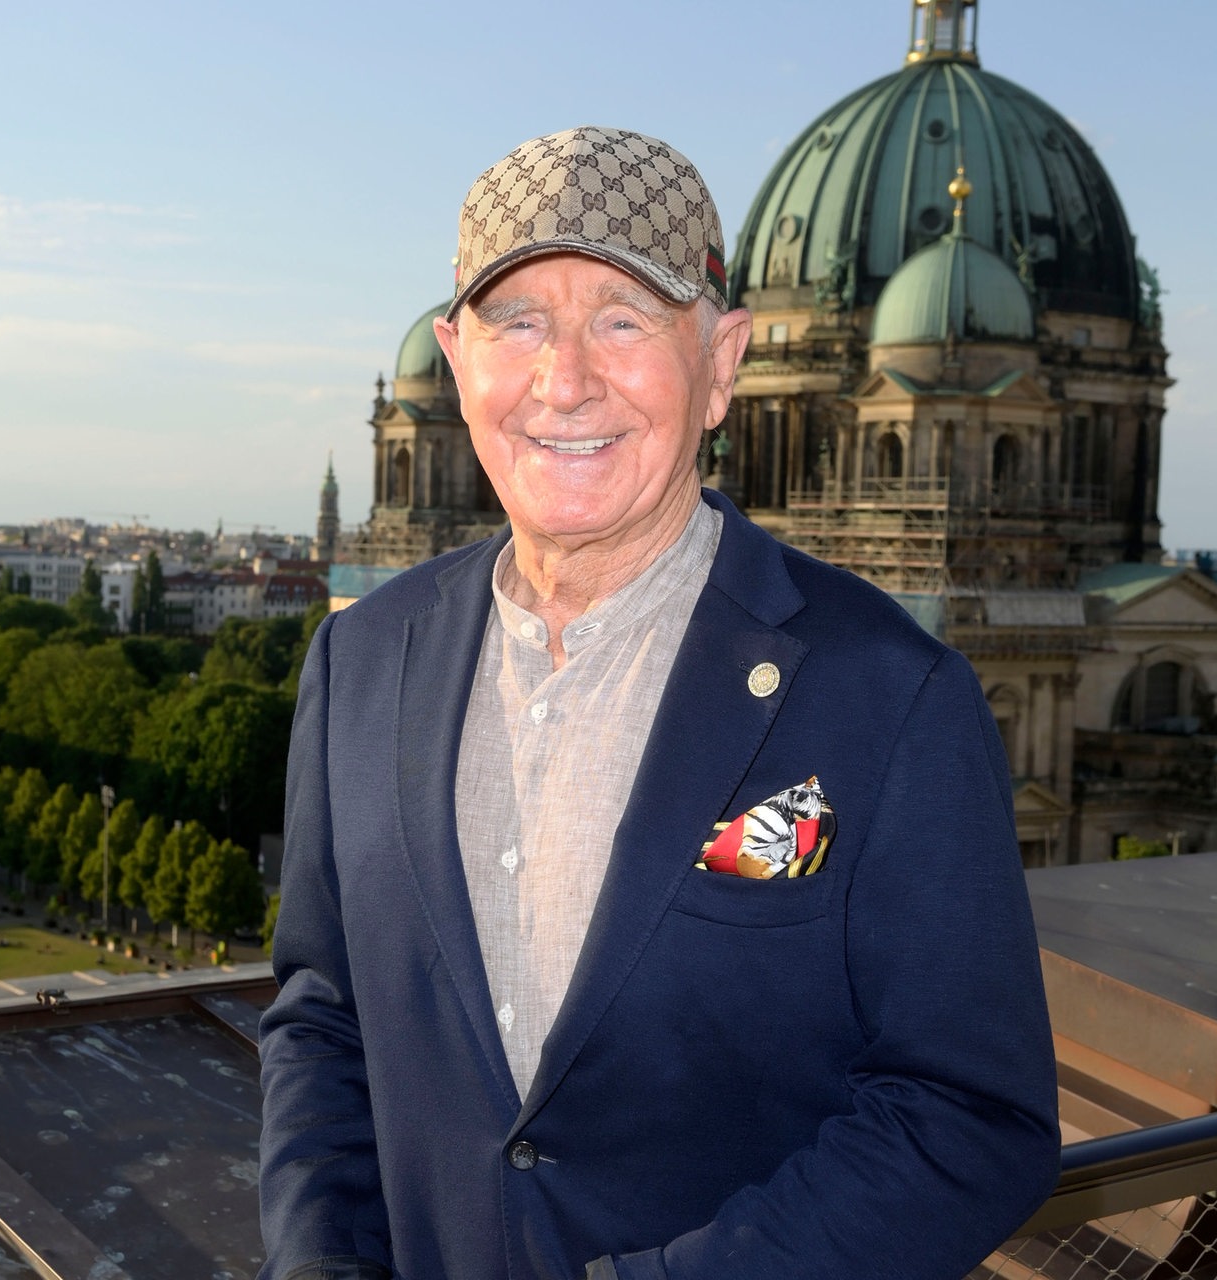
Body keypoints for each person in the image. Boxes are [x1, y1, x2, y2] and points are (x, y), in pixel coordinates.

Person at [257, 125, 1059, 1280]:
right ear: (455, 356)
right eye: (517, 321)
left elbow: (970, 1114)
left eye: (624, 318)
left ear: (722, 359)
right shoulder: (358, 660)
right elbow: (324, 1016)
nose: (563, 378)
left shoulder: (893, 691)